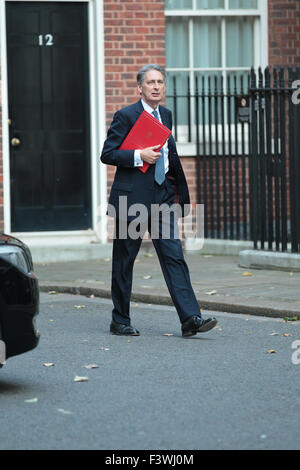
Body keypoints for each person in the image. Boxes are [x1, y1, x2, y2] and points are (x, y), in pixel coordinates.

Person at [100, 64, 217, 337]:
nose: (156, 86)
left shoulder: (166, 115)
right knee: (125, 260)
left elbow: (169, 153)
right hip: (133, 202)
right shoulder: (126, 116)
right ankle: (120, 319)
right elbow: (108, 154)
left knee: (174, 256)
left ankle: (190, 318)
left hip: (162, 197)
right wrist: (139, 155)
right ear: (140, 87)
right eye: (150, 82)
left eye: (160, 82)